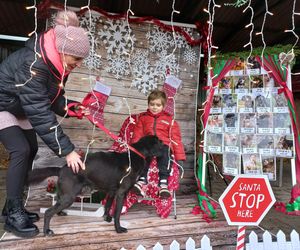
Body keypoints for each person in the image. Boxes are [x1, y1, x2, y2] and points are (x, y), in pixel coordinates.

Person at [0, 10, 90, 238]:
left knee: (30, 150)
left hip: (23, 105)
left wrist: (69, 107)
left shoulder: (57, 62)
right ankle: (12, 216)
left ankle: (12, 206)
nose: (78, 64)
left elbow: (50, 97)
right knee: (20, 149)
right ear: (63, 50)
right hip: (4, 104)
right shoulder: (35, 64)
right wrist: (67, 151)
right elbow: (39, 110)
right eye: (76, 59)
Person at [131, 90, 186, 198]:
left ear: (163, 106)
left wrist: (180, 157)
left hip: (163, 145)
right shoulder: (143, 118)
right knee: (145, 153)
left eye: (158, 105)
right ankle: (142, 180)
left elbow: (176, 139)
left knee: (165, 152)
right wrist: (134, 149)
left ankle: (163, 183)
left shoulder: (170, 120)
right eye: (152, 104)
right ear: (148, 104)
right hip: (149, 145)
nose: (154, 107)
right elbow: (137, 135)